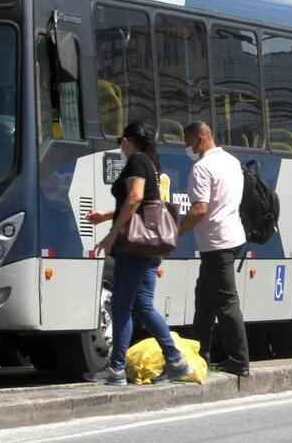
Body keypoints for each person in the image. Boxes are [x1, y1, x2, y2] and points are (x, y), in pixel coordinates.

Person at [85, 122, 192, 386]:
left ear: (129, 140)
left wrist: (111, 235)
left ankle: (117, 369)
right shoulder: (151, 163)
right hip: (147, 246)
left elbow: (134, 198)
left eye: (121, 139)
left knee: (122, 306)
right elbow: (144, 203)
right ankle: (176, 361)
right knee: (143, 306)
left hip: (133, 247)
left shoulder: (136, 161)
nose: (120, 145)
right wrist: (106, 216)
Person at [178, 121, 249, 377]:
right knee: (205, 300)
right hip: (232, 237)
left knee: (226, 302)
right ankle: (201, 356)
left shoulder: (202, 168)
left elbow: (199, 209)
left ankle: (240, 361)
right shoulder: (231, 161)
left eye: (188, 140)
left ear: (199, 138)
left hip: (217, 243)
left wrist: (176, 232)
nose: (187, 146)